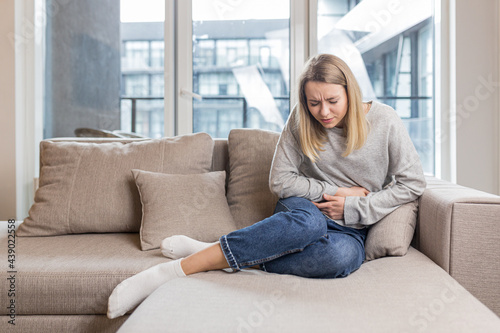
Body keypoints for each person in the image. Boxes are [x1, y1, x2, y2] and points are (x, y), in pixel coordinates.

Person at [107, 54, 427, 319]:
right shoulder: (301, 120)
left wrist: (357, 205)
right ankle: (174, 271)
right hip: (304, 211)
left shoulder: (385, 121)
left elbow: (413, 182)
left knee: (340, 260)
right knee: (310, 222)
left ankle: (220, 252)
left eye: (332, 101)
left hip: (352, 227)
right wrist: (333, 194)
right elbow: (281, 181)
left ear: (350, 93)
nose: (323, 112)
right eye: (314, 103)